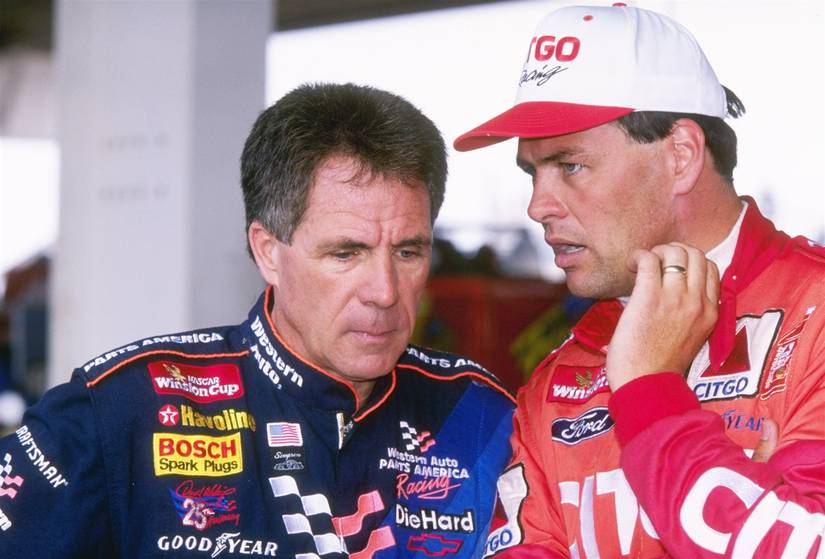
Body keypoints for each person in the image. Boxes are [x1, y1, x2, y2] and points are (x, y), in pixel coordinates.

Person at [0, 83, 516, 558]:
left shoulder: (478, 413)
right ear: (267, 251)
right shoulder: (121, 408)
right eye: (345, 253)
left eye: (408, 252)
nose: (384, 291)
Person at [453, 4, 825, 558]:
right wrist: (745, 501)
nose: (537, 206)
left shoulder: (815, 315)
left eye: (570, 166)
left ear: (681, 156)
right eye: (533, 172)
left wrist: (649, 388)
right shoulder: (556, 382)